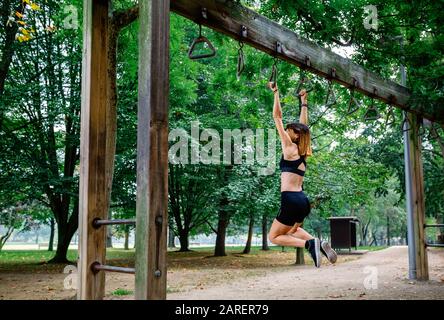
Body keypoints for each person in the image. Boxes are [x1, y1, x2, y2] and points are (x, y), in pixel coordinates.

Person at [267, 81, 337, 267]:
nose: (287, 132)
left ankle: (309, 244)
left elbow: (277, 117)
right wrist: (304, 102)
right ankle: (320, 244)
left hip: (290, 199)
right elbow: (304, 126)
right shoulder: (303, 151)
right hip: (303, 201)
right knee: (291, 231)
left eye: (289, 130)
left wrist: (276, 93)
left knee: (274, 236)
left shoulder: (289, 147)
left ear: (295, 136)